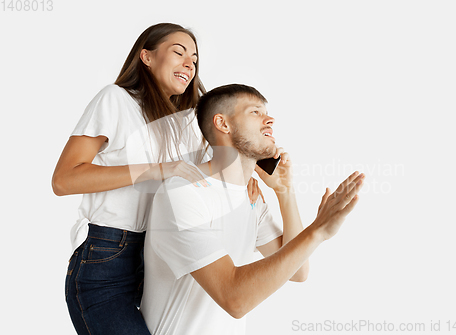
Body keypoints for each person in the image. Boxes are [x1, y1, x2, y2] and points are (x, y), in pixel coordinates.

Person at [52, 24, 262, 335]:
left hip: (162, 258)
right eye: (179, 52)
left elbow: (220, 155)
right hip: (108, 257)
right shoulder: (116, 100)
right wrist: (157, 169)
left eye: (194, 58)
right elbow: (64, 180)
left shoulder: (188, 121)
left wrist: (240, 179)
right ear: (146, 56)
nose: (189, 64)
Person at [142, 83, 365, 334]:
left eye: (266, 113)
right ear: (223, 124)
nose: (269, 120)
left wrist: (284, 192)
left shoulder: (252, 199)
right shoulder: (182, 193)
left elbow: (298, 270)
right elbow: (234, 298)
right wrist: (317, 230)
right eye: (255, 112)